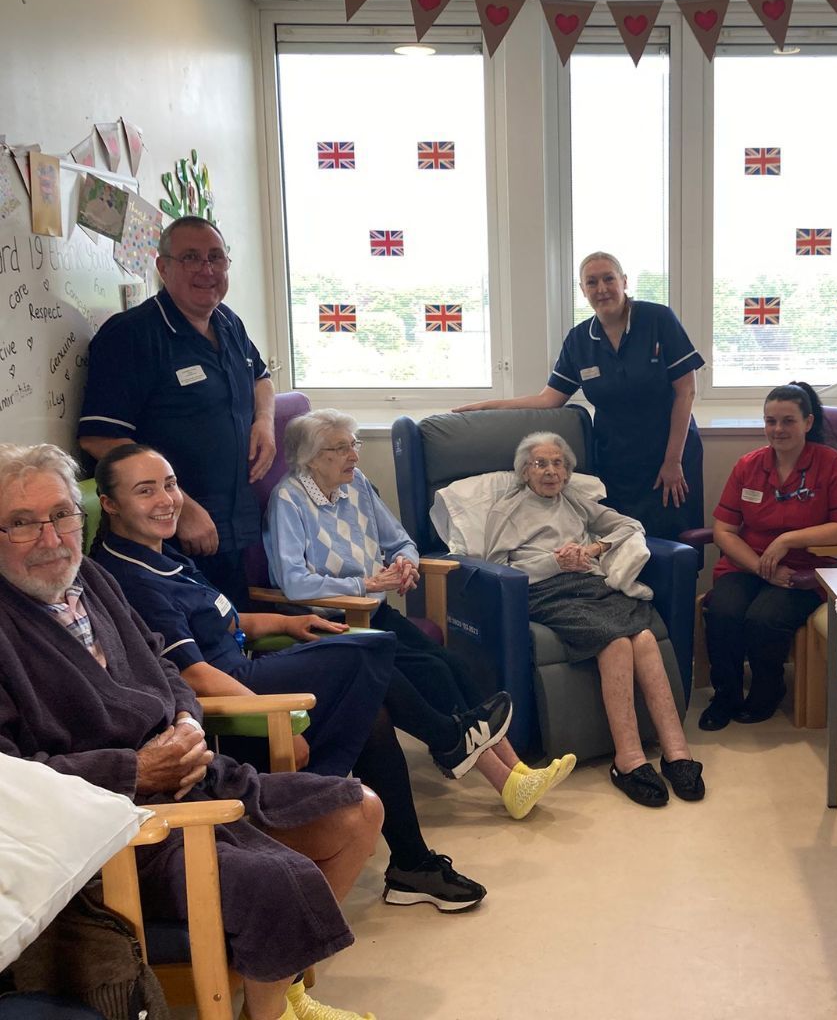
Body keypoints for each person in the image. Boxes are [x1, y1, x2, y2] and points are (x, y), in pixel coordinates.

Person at [0, 442, 383, 1020]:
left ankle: (278, 986)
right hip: (116, 832)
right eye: (21, 524)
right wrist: (135, 770)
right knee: (277, 878)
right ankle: (268, 1012)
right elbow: (13, 781)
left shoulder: (94, 581)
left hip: (198, 776)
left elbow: (164, 665)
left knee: (359, 811)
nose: (51, 538)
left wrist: (185, 720)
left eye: (61, 515)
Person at [91, 442, 493, 913]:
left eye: (170, 484)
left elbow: (222, 619)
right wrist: (272, 721)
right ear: (109, 504)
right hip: (235, 700)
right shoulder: (130, 578)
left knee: (374, 715)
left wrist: (284, 623)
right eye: (145, 491)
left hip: (247, 668)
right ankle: (447, 738)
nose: (166, 500)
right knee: (372, 647)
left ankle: (411, 863)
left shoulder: (161, 554)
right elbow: (193, 674)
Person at [264, 409, 575, 820]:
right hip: (330, 623)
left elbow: (400, 540)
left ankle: (517, 771)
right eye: (341, 449)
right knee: (432, 676)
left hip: (373, 611)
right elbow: (294, 583)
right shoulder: (288, 500)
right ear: (310, 457)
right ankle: (507, 782)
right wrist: (366, 585)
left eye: (353, 445)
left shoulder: (355, 485)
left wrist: (407, 563)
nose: (354, 456)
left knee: (449, 663)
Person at [483, 431, 705, 808]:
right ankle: (629, 759)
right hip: (544, 591)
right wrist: (554, 561)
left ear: (568, 473)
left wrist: (593, 547)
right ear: (524, 471)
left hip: (590, 583)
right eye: (540, 463)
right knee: (616, 642)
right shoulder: (508, 510)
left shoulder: (576, 502)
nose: (550, 471)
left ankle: (676, 752)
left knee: (646, 638)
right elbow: (495, 567)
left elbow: (629, 526)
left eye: (558, 464)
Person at [78, 215, 273, 604]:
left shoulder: (228, 322)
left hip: (230, 527)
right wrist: (179, 507)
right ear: (163, 267)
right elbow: (99, 437)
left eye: (216, 257)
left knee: (233, 639)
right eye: (190, 258)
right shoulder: (130, 335)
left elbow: (261, 377)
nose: (207, 269)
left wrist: (265, 420)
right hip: (166, 536)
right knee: (189, 656)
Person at [456, 251, 705, 541]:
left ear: (624, 281)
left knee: (674, 539)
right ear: (582, 290)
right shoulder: (579, 339)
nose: (601, 289)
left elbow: (686, 390)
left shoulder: (657, 319)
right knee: (620, 539)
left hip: (669, 454)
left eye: (609, 279)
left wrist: (673, 460)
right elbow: (549, 399)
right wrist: (489, 406)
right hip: (617, 460)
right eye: (592, 282)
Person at [700, 382, 837, 731]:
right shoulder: (749, 465)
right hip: (748, 564)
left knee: (765, 618)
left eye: (788, 421)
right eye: (770, 421)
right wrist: (761, 567)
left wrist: (789, 539)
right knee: (723, 610)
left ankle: (767, 689)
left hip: (804, 571)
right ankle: (725, 694)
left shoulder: (831, 464)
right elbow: (724, 531)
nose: (778, 430)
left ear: (807, 422)